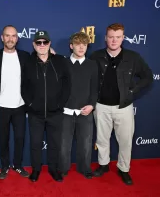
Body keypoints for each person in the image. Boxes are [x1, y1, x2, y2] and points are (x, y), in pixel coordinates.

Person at [90, 23, 153, 185]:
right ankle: (103, 165)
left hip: (123, 107)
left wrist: (132, 92)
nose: (114, 40)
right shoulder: (95, 56)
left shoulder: (133, 57)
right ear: (105, 38)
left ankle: (123, 169)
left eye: (117, 37)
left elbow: (147, 76)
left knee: (125, 140)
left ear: (123, 38)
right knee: (102, 139)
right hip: (101, 106)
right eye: (111, 37)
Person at [22, 30, 70, 182]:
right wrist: (30, 104)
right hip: (35, 114)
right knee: (35, 144)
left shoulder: (60, 61)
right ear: (34, 45)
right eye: (38, 42)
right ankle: (36, 170)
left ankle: (53, 169)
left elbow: (67, 85)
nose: (42, 45)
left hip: (55, 113)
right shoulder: (28, 63)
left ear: (49, 44)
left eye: (45, 42)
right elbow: (23, 86)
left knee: (54, 144)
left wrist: (60, 104)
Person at [58, 32, 98, 179]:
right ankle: (63, 168)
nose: (81, 47)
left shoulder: (92, 65)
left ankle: (85, 168)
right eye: (78, 44)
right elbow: (59, 87)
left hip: (85, 111)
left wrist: (92, 105)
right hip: (66, 112)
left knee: (86, 143)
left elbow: (94, 89)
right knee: (64, 144)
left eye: (84, 44)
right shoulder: (63, 63)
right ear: (71, 46)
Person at [0, 25, 30, 179]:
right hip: (0, 106)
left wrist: (52, 54)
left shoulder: (25, 56)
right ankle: (4, 166)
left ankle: (18, 165)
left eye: (13, 36)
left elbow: (41, 59)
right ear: (2, 38)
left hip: (20, 106)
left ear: (17, 38)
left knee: (20, 138)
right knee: (4, 139)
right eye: (7, 36)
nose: (10, 39)